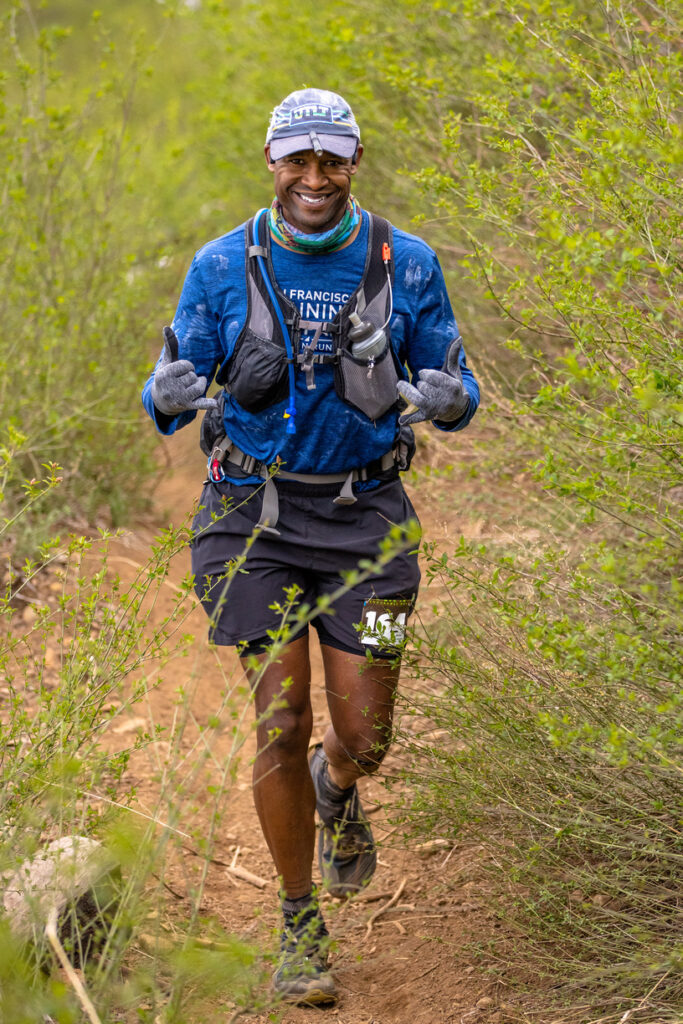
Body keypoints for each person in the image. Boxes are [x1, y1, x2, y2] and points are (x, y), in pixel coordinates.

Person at [142, 87, 479, 1006]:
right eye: (299, 159)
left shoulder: (404, 265)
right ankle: (300, 925)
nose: (315, 177)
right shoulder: (223, 264)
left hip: (365, 517)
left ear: (354, 163)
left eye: (332, 160)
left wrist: (447, 400)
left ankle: (341, 785)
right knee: (280, 720)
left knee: (364, 736)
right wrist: (172, 392)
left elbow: (455, 382)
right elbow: (168, 388)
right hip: (249, 516)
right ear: (272, 163)